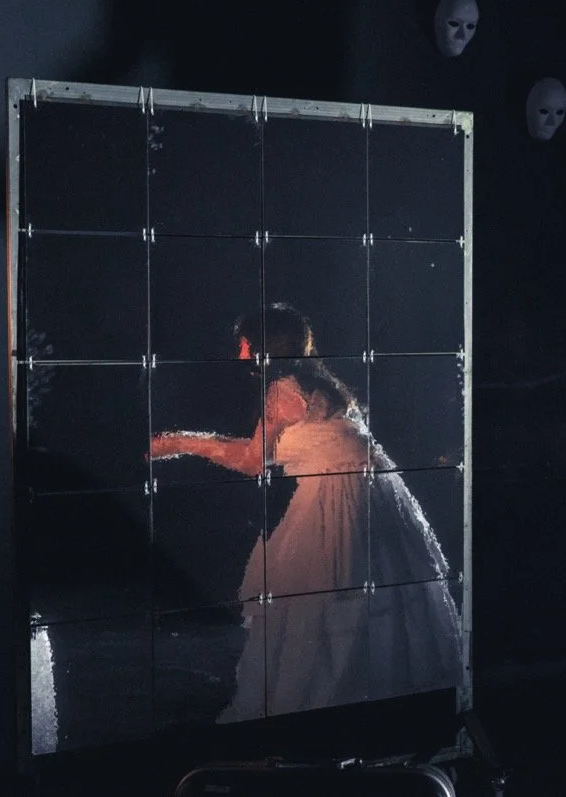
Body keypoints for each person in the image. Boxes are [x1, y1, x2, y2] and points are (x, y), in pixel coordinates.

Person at [150, 303, 461, 721]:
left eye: (243, 343)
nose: (239, 352)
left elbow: (250, 460)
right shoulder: (320, 384)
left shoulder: (282, 389)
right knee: (358, 595)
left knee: (322, 599)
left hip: (337, 496)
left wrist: (179, 443)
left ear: (258, 345)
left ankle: (320, 706)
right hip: (373, 492)